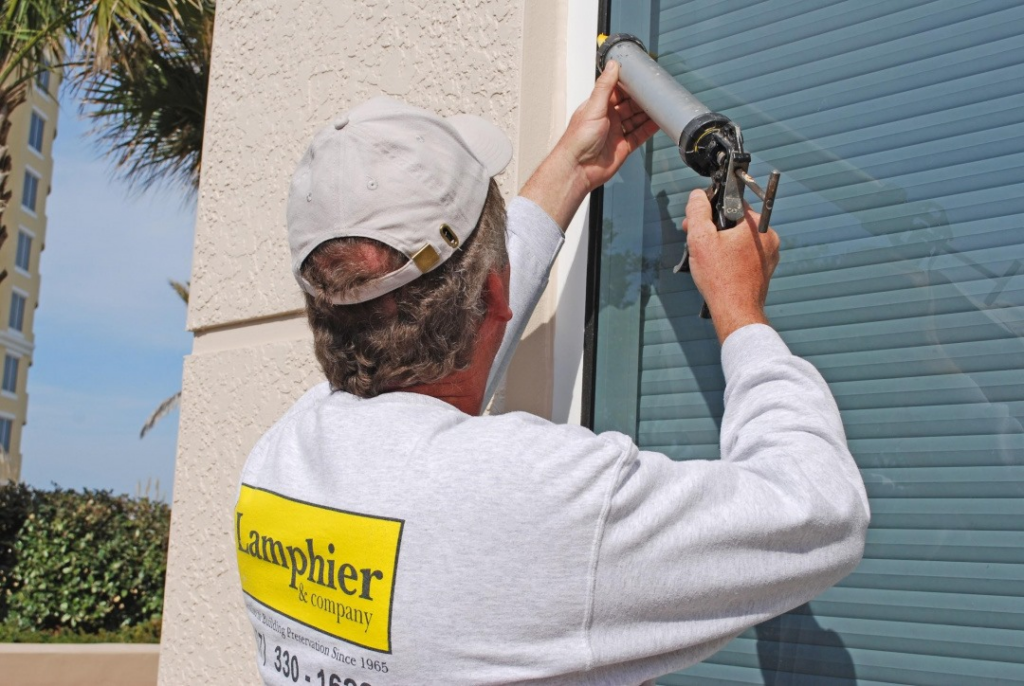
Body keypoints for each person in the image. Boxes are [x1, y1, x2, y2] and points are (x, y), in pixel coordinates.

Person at [234, 61, 869, 685]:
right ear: (493, 293)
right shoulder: (545, 500)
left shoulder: (278, 461)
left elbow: (439, 356)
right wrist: (740, 310)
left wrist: (574, 167)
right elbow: (821, 510)